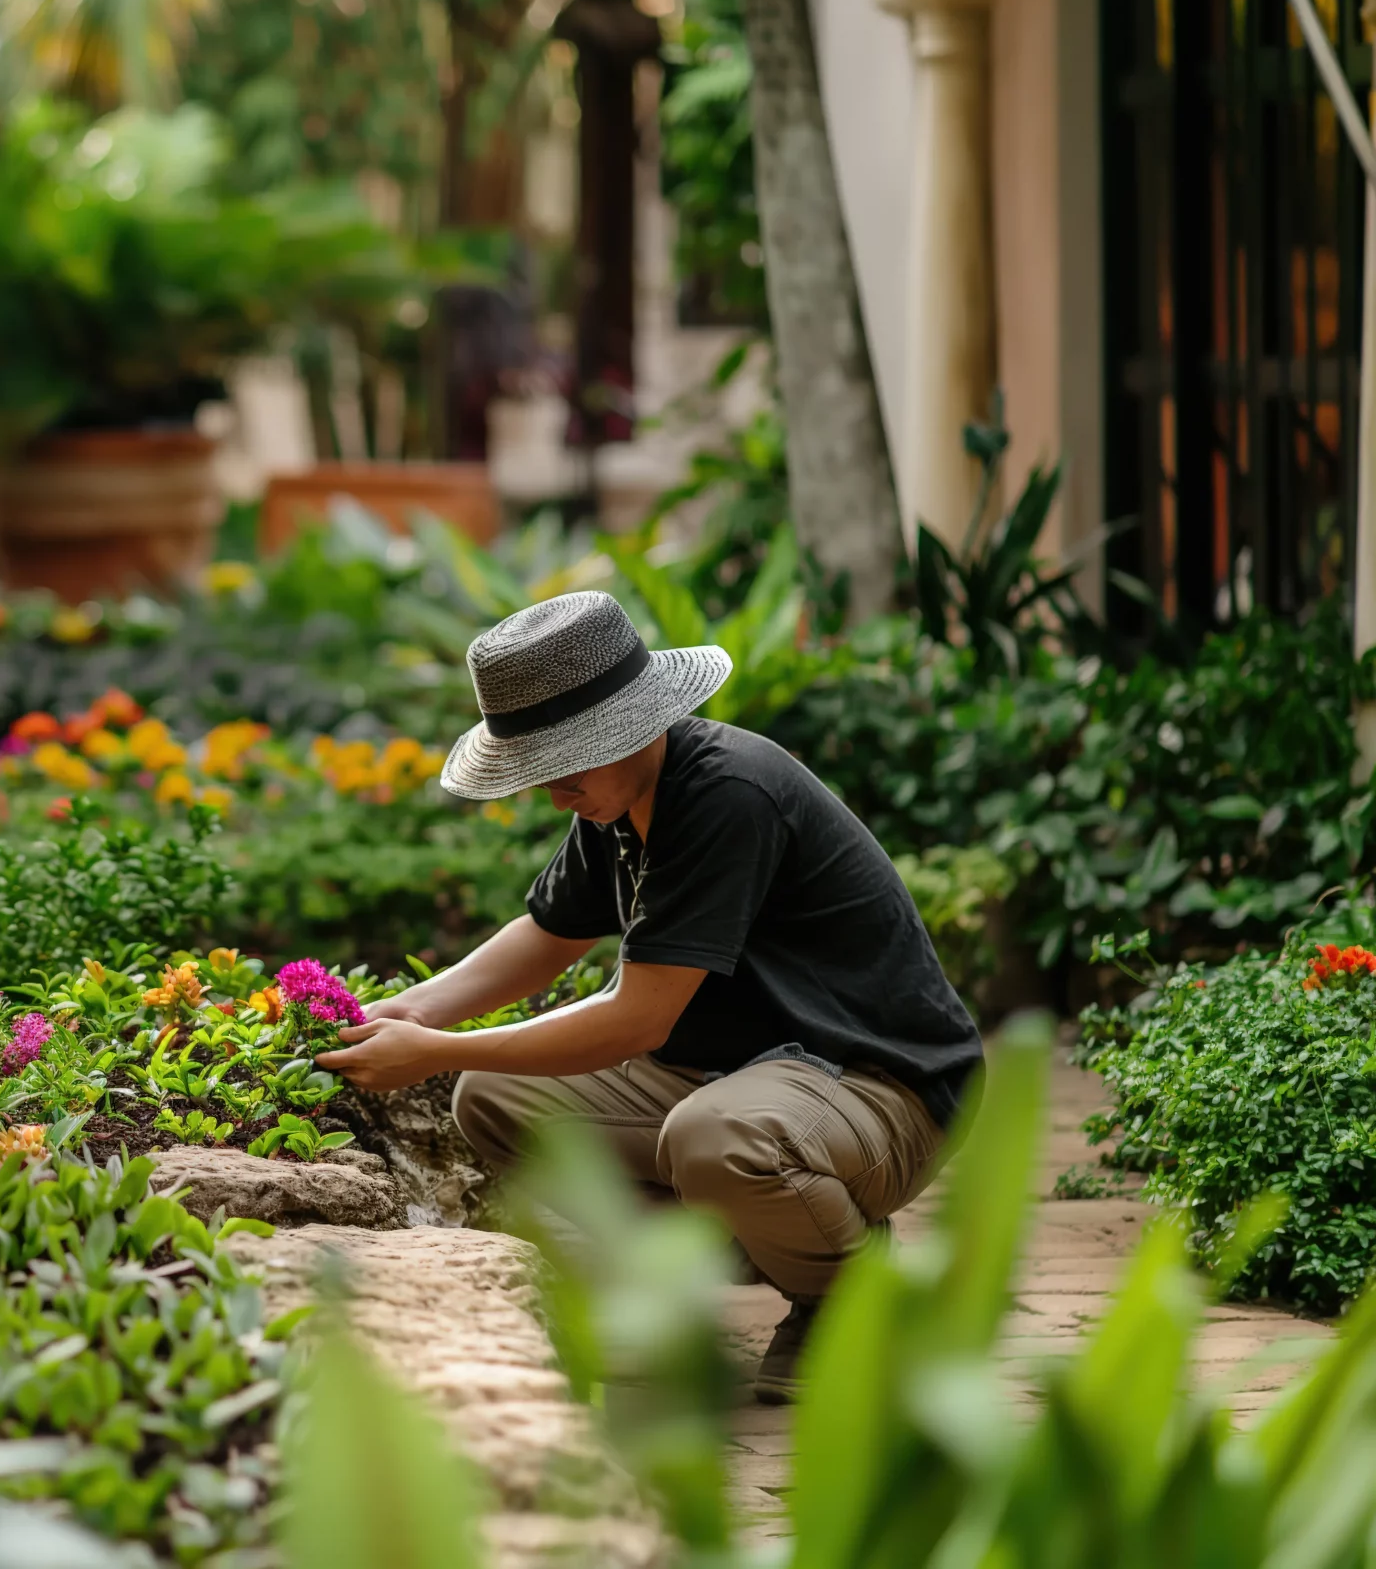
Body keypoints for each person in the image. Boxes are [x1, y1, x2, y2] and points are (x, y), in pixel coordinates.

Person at [315, 590, 981, 1402]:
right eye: (539, 769)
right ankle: (760, 1243)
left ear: (631, 724)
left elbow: (638, 1016)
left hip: (880, 1086)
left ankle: (848, 1300)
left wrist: (436, 1052)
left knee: (719, 1138)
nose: (554, 790)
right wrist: (411, 1011)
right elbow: (548, 935)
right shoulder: (620, 800)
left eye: (566, 761)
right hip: (745, 1074)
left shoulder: (726, 793)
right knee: (493, 1098)